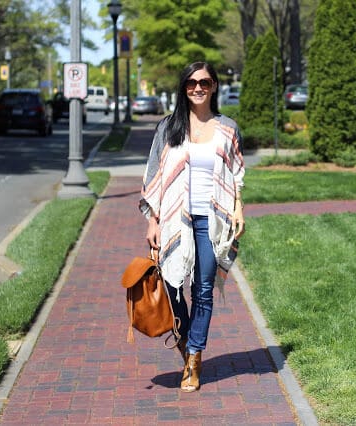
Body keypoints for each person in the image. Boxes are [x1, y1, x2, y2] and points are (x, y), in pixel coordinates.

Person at [139, 62, 245, 392]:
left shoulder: (227, 128)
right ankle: (186, 342)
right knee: (171, 287)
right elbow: (154, 174)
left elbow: (236, 172)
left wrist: (238, 208)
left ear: (214, 87)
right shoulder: (169, 127)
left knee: (202, 289)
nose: (197, 88)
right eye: (190, 83)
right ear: (183, 88)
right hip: (174, 219)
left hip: (211, 219)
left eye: (204, 82)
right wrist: (153, 219)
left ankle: (195, 356)